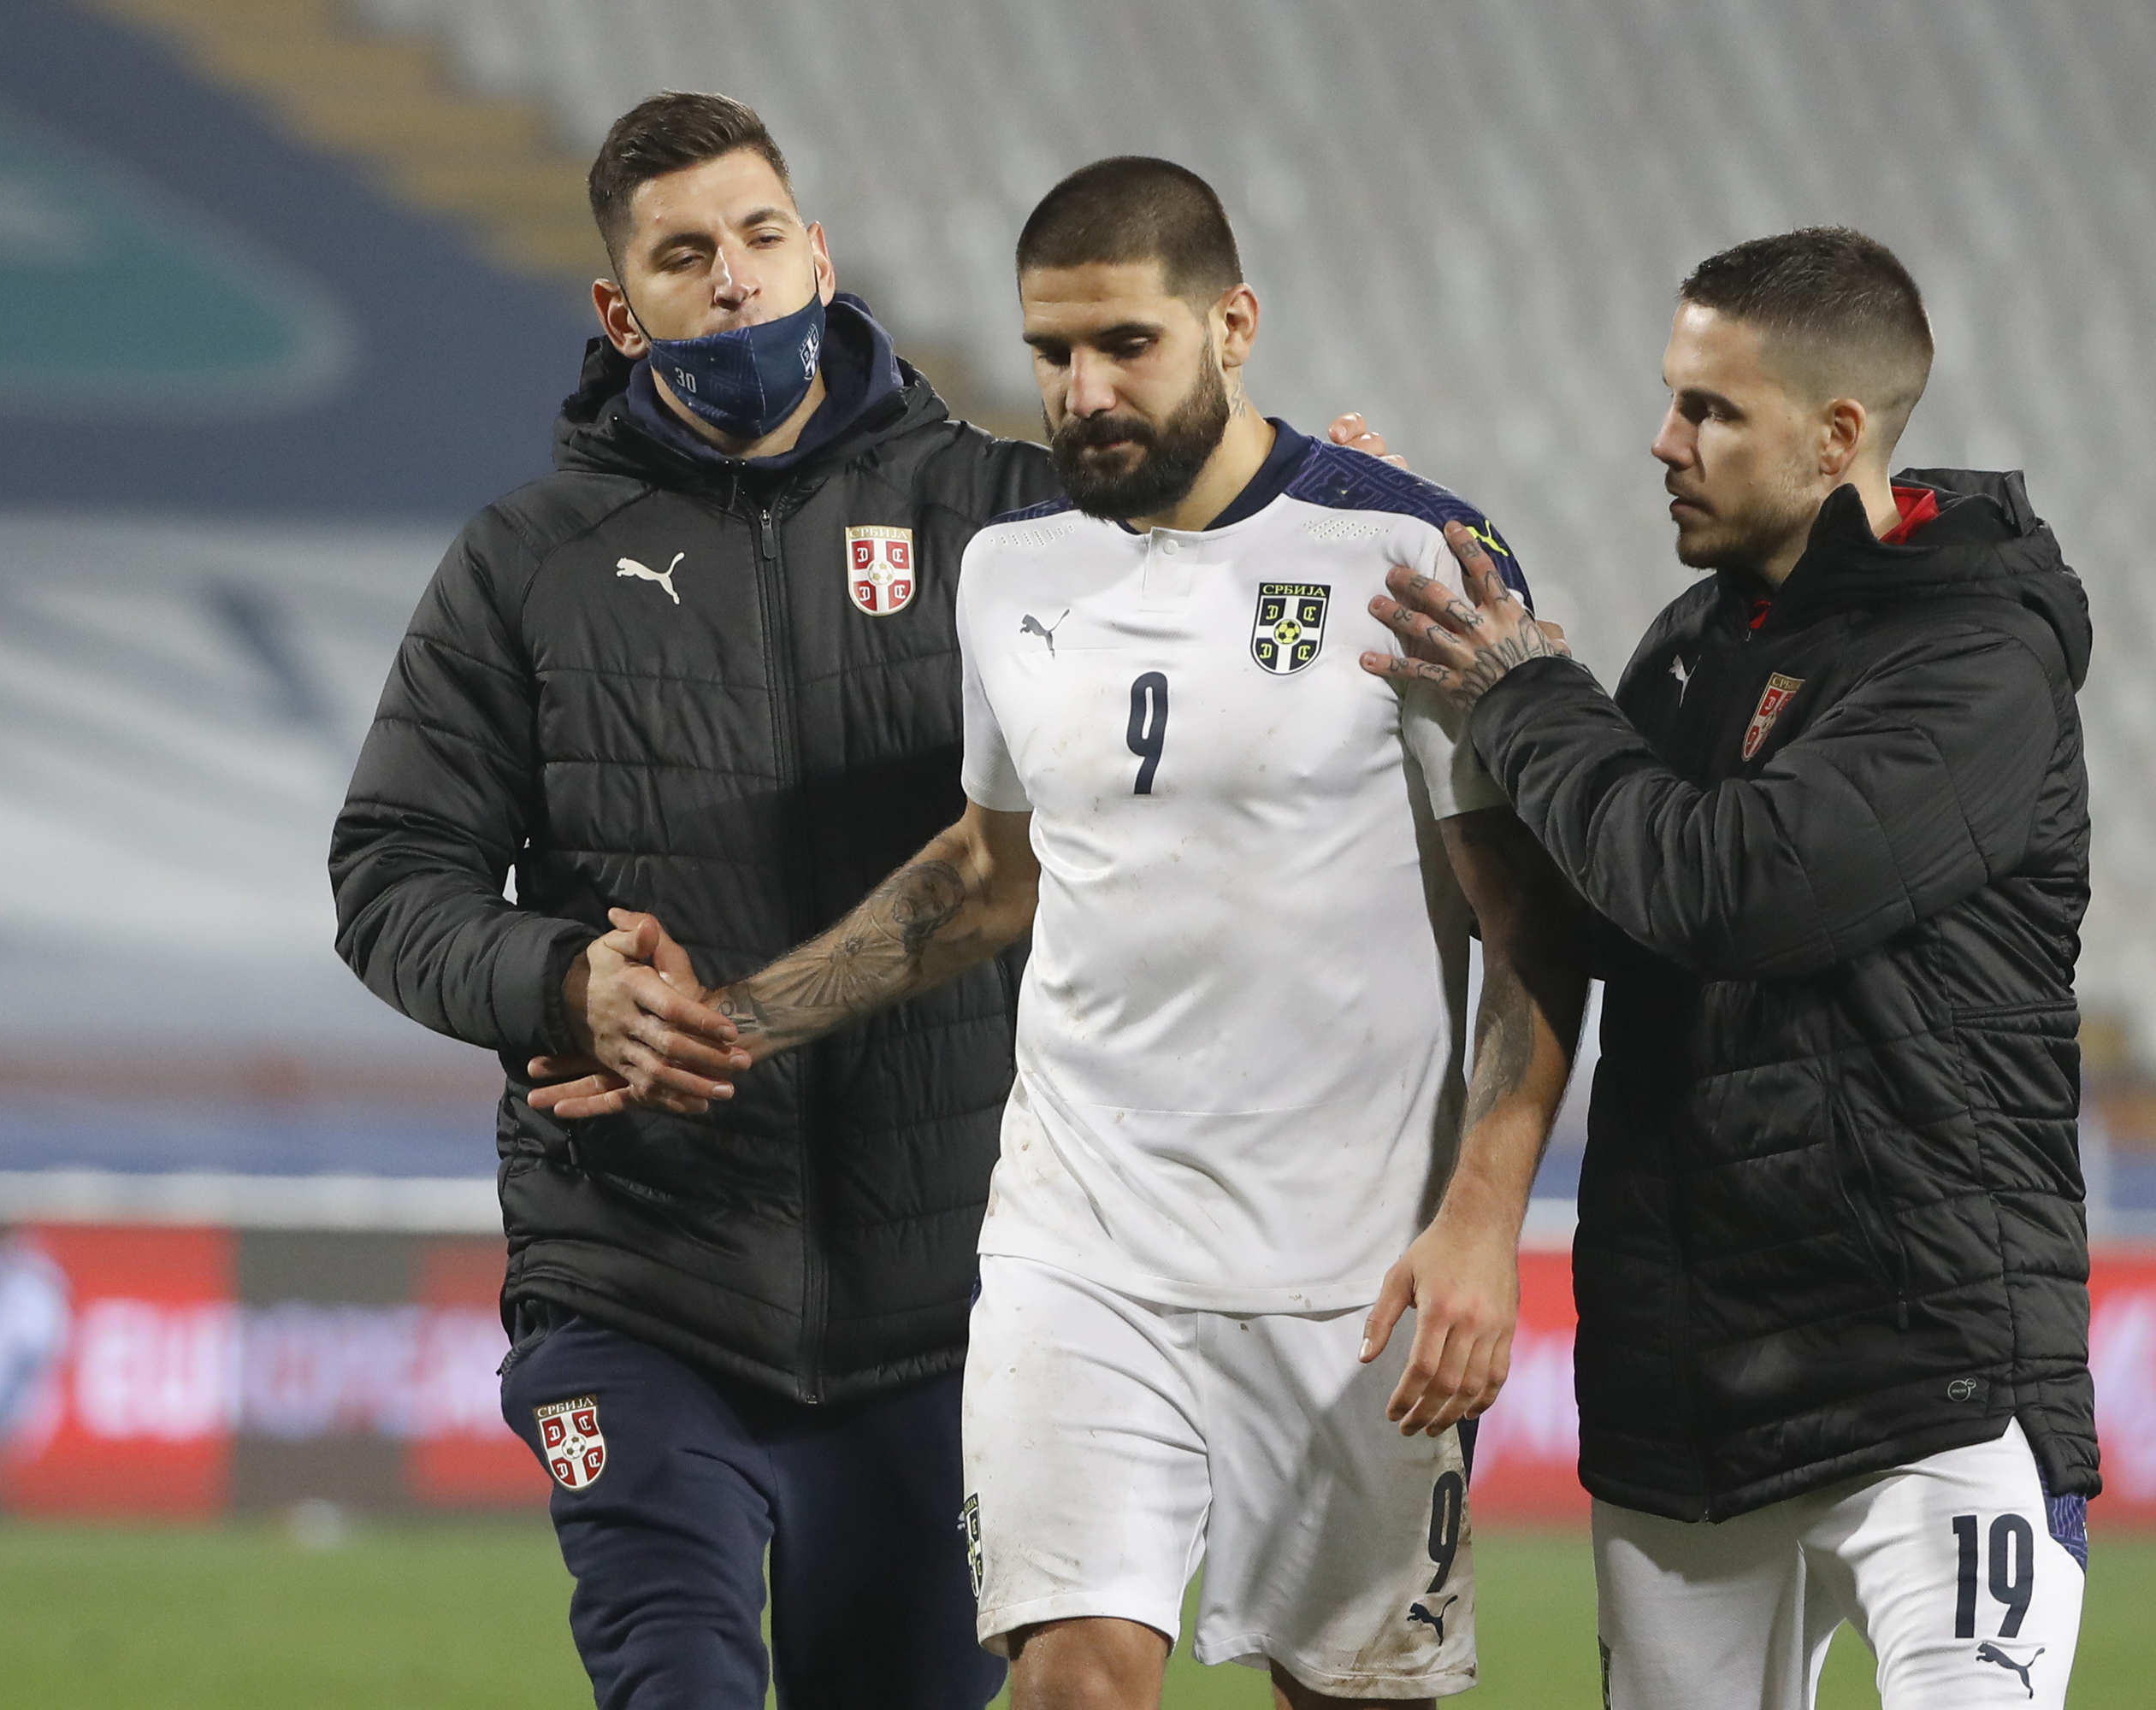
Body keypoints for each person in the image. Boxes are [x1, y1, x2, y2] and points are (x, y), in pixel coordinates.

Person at [328, 95, 1398, 1709]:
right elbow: (388, 872)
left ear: (819, 254)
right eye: (687, 258)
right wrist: (560, 980)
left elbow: (1234, 564)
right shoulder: (524, 565)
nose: (738, 280)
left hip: (947, 1309)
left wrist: (1313, 520)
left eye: (763, 238)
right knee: (674, 1680)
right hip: (638, 1271)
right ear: (623, 314)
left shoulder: (1021, 526)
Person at [535, 156, 1588, 1710]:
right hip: (1076, 1249)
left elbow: (1535, 931)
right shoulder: (1013, 572)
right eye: (1051, 352)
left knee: (1355, 1695)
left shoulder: (1410, 558)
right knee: (1074, 1679)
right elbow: (987, 875)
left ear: (1234, 327)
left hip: (1346, 1270)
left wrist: (1485, 1227)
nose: (1082, 391)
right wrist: (735, 1025)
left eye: (1126, 346)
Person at [1364, 228, 2096, 1708]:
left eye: (1710, 410)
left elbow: (1731, 890)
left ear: (1837, 436)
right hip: (1688, 1407)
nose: (1664, 441)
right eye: (1669, 397)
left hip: (1930, 1390)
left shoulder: (1977, 657)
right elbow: (1597, 925)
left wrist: (1533, 702)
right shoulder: (1691, 651)